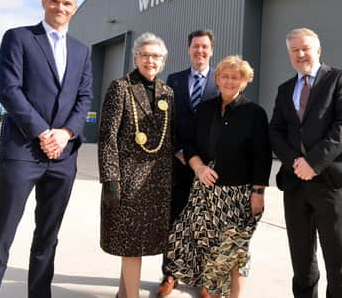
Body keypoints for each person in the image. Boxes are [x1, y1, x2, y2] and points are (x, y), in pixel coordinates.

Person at [0, 0, 93, 298]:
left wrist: (65, 133)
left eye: (67, 3)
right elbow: (9, 90)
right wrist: (42, 132)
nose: (60, 7)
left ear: (74, 9)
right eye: (54, 0)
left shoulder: (82, 51)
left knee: (47, 239)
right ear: (43, 2)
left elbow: (84, 98)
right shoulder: (19, 38)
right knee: (1, 235)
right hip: (22, 151)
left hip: (63, 158)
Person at [164, 55, 272, 298]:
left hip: (238, 194)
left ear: (244, 82)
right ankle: (210, 290)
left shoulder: (254, 113)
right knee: (202, 242)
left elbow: (262, 156)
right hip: (204, 191)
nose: (229, 81)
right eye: (225, 76)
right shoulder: (205, 109)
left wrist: (258, 192)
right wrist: (199, 167)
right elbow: (189, 143)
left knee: (235, 250)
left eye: (236, 77)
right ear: (217, 79)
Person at [269, 28, 342, 298]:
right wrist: (296, 161)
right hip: (295, 185)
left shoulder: (339, 79)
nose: (300, 54)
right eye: (294, 50)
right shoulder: (285, 89)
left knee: (338, 263)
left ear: (318, 50)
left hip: (331, 184)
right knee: (302, 262)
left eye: (305, 48)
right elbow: (275, 131)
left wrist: (313, 162)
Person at [98, 32, 176, 298]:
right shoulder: (120, 88)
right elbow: (107, 137)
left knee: (137, 245)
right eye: (145, 55)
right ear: (136, 58)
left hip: (157, 184)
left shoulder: (168, 92)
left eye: (155, 56)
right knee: (131, 246)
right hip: (127, 181)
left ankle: (123, 294)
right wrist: (110, 178)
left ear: (163, 60)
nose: (150, 60)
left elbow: (171, 137)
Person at [157, 29, 219, 296]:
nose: (200, 51)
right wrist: (179, 150)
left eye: (204, 47)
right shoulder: (174, 80)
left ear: (211, 50)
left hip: (211, 166)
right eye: (195, 46)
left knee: (208, 222)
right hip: (180, 162)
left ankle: (206, 279)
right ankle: (170, 274)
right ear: (189, 49)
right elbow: (166, 121)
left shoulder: (220, 79)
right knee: (175, 219)